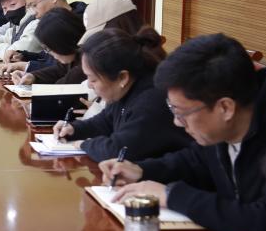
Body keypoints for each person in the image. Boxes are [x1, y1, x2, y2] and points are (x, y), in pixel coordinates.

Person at [103, 33, 266, 231]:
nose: (176, 122)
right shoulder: (229, 114)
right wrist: (142, 170)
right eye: (172, 109)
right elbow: (197, 161)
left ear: (225, 108)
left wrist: (173, 196)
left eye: (181, 113)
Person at [53, 27, 192, 162]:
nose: (89, 85)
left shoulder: (151, 101)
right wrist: (74, 129)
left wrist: (83, 144)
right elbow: (105, 120)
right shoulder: (127, 89)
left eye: (93, 79)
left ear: (122, 78)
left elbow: (117, 151)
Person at [11, 7, 87, 85]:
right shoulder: (75, 56)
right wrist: (33, 76)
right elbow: (59, 70)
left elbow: (60, 86)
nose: (51, 54)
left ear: (62, 43)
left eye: (49, 49)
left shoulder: (86, 63)